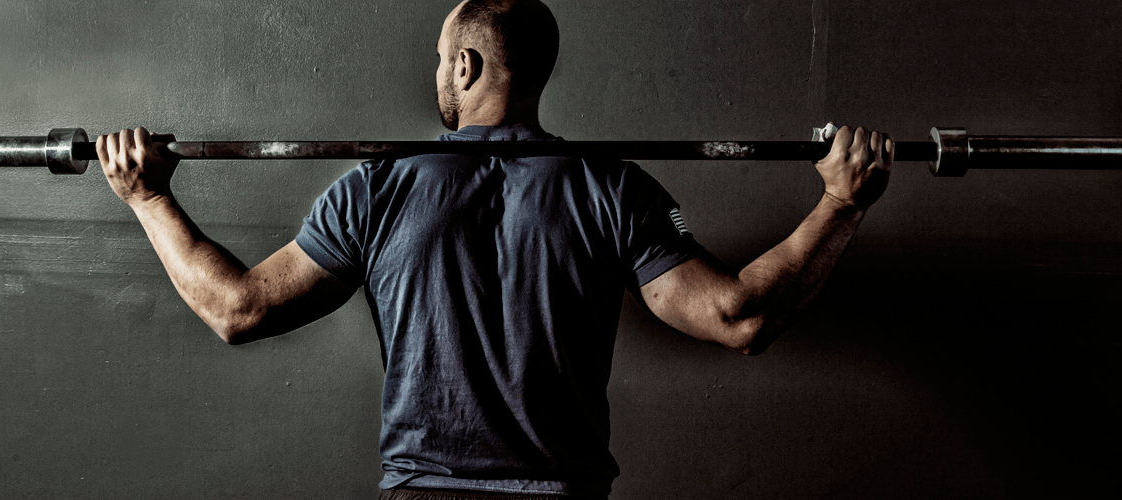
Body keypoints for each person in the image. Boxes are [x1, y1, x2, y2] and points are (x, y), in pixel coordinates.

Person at [94, 0, 893, 498]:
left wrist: (148, 197)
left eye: (442, 60)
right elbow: (740, 316)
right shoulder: (613, 188)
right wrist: (841, 201)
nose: (439, 73)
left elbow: (237, 309)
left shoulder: (379, 187)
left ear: (466, 65)